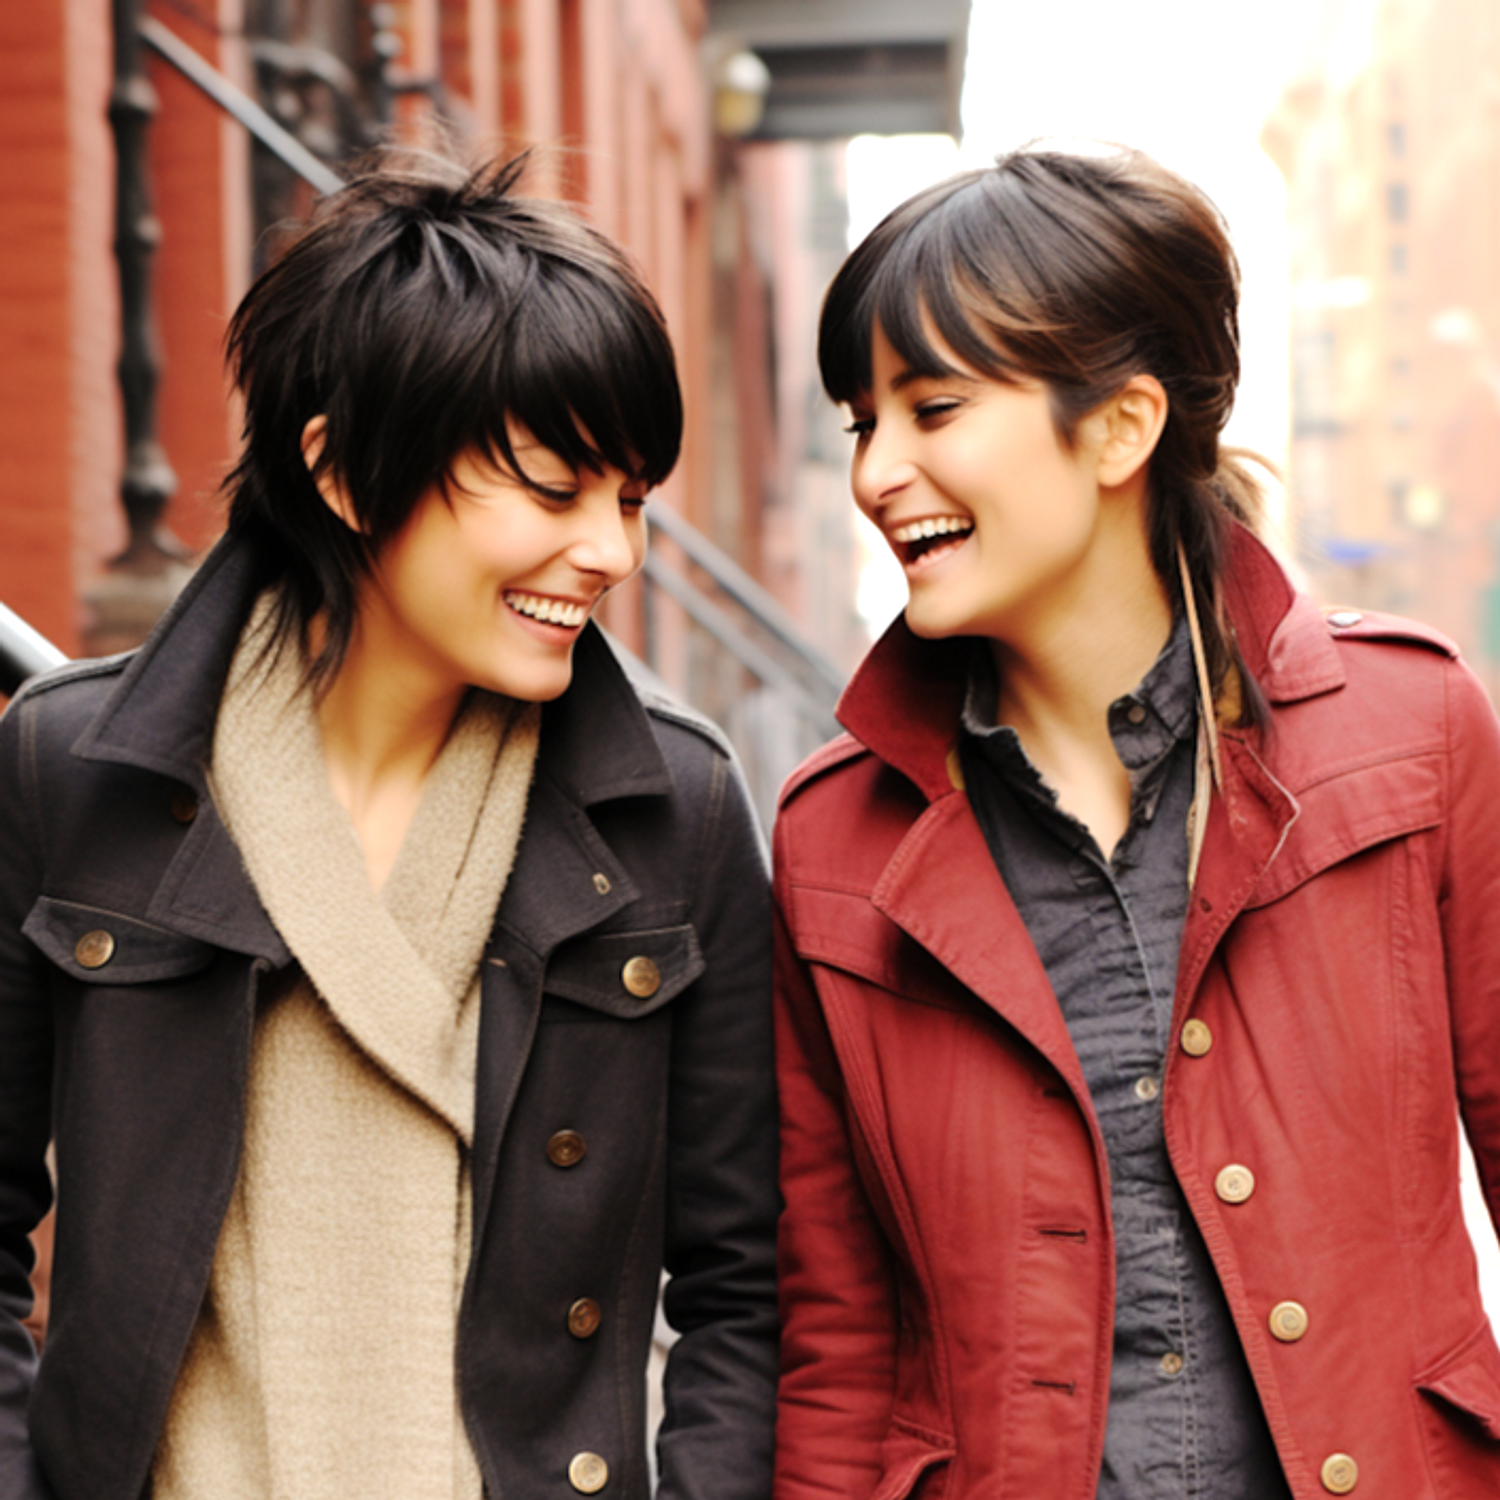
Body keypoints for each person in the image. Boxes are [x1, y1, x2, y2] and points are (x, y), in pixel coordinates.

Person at [0, 150, 777, 1500]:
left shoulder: (671, 812)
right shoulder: (76, 772)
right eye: (553, 488)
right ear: (347, 472)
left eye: (632, 497)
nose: (614, 551)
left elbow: (751, 1285)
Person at [772, 145, 1500, 1500]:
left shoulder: (1416, 732)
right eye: (863, 422)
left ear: (1121, 426)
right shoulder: (835, 846)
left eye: (933, 409)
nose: (880, 472)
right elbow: (838, 1333)